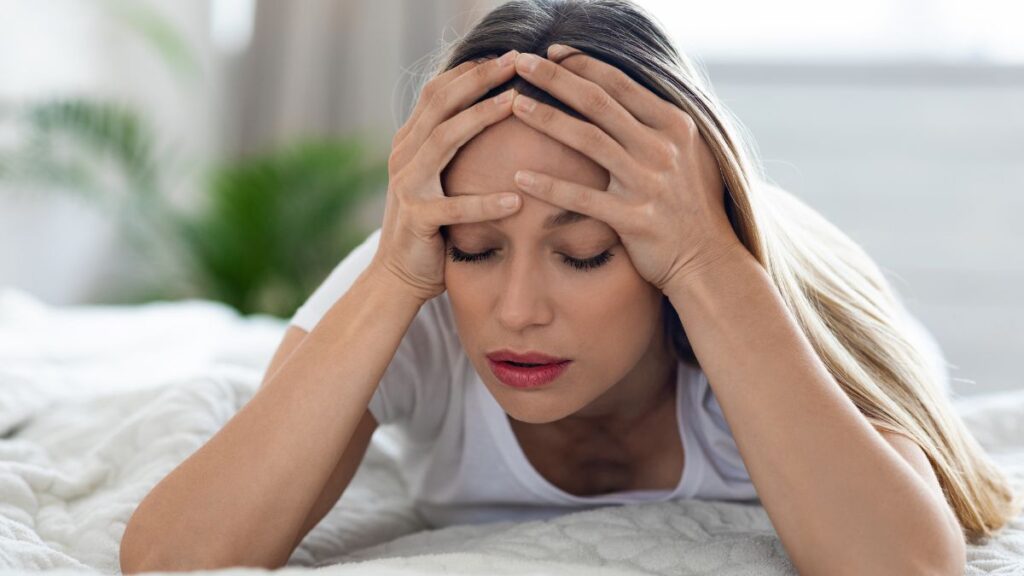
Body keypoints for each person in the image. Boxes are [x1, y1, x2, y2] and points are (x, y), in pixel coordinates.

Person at [119, 0, 1021, 573]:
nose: (516, 311)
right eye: (477, 247)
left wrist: (709, 261)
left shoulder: (734, 297)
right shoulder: (414, 291)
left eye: (583, 253)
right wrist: (397, 270)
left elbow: (905, 566)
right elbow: (170, 559)